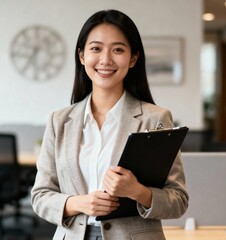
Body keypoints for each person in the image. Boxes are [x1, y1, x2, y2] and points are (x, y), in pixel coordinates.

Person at [31, 9, 189, 240]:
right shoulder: (59, 121)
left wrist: (138, 192)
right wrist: (79, 203)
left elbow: (178, 201)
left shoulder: (155, 119)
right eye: (96, 48)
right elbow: (40, 196)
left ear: (133, 58)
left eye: (118, 49)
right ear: (82, 56)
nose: (106, 59)